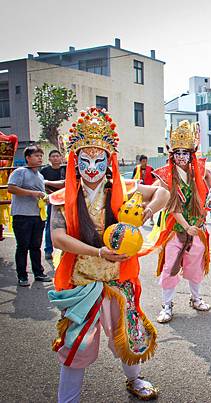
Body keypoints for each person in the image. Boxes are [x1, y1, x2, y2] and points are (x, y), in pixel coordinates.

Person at [47, 107, 169, 401]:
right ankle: (68, 398)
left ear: (109, 161)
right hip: (82, 282)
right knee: (77, 343)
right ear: (75, 163)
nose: (92, 168)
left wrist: (144, 213)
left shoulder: (125, 189)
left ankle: (134, 380)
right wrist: (98, 251)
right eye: (85, 161)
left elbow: (163, 192)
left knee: (126, 334)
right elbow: (58, 238)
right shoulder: (64, 198)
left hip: (119, 281)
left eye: (99, 160)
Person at [152, 120, 211, 323]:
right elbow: (171, 205)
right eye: (177, 153)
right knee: (170, 266)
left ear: (190, 154)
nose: (180, 157)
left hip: (196, 227)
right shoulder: (165, 176)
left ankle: (196, 298)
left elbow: (209, 179)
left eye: (184, 153)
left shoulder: (198, 171)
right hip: (175, 228)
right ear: (172, 155)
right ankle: (167, 305)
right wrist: (186, 226)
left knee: (195, 265)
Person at [7, 145, 53, 286]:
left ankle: (38, 272)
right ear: (28, 158)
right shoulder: (20, 172)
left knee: (36, 246)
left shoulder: (40, 176)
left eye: (40, 155)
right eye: (36, 155)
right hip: (22, 215)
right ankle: (22, 276)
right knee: (22, 246)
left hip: (37, 215)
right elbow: (11, 188)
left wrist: (45, 197)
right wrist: (33, 193)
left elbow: (40, 193)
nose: (40, 158)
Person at [40, 149, 66, 260]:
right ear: (49, 159)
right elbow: (40, 184)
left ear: (61, 158)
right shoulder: (44, 171)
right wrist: (49, 192)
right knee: (50, 226)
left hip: (65, 201)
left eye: (57, 156)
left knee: (68, 226)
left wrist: (48, 183)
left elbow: (65, 183)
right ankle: (48, 250)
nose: (55, 158)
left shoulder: (65, 169)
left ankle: (67, 250)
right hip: (52, 202)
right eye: (53, 156)